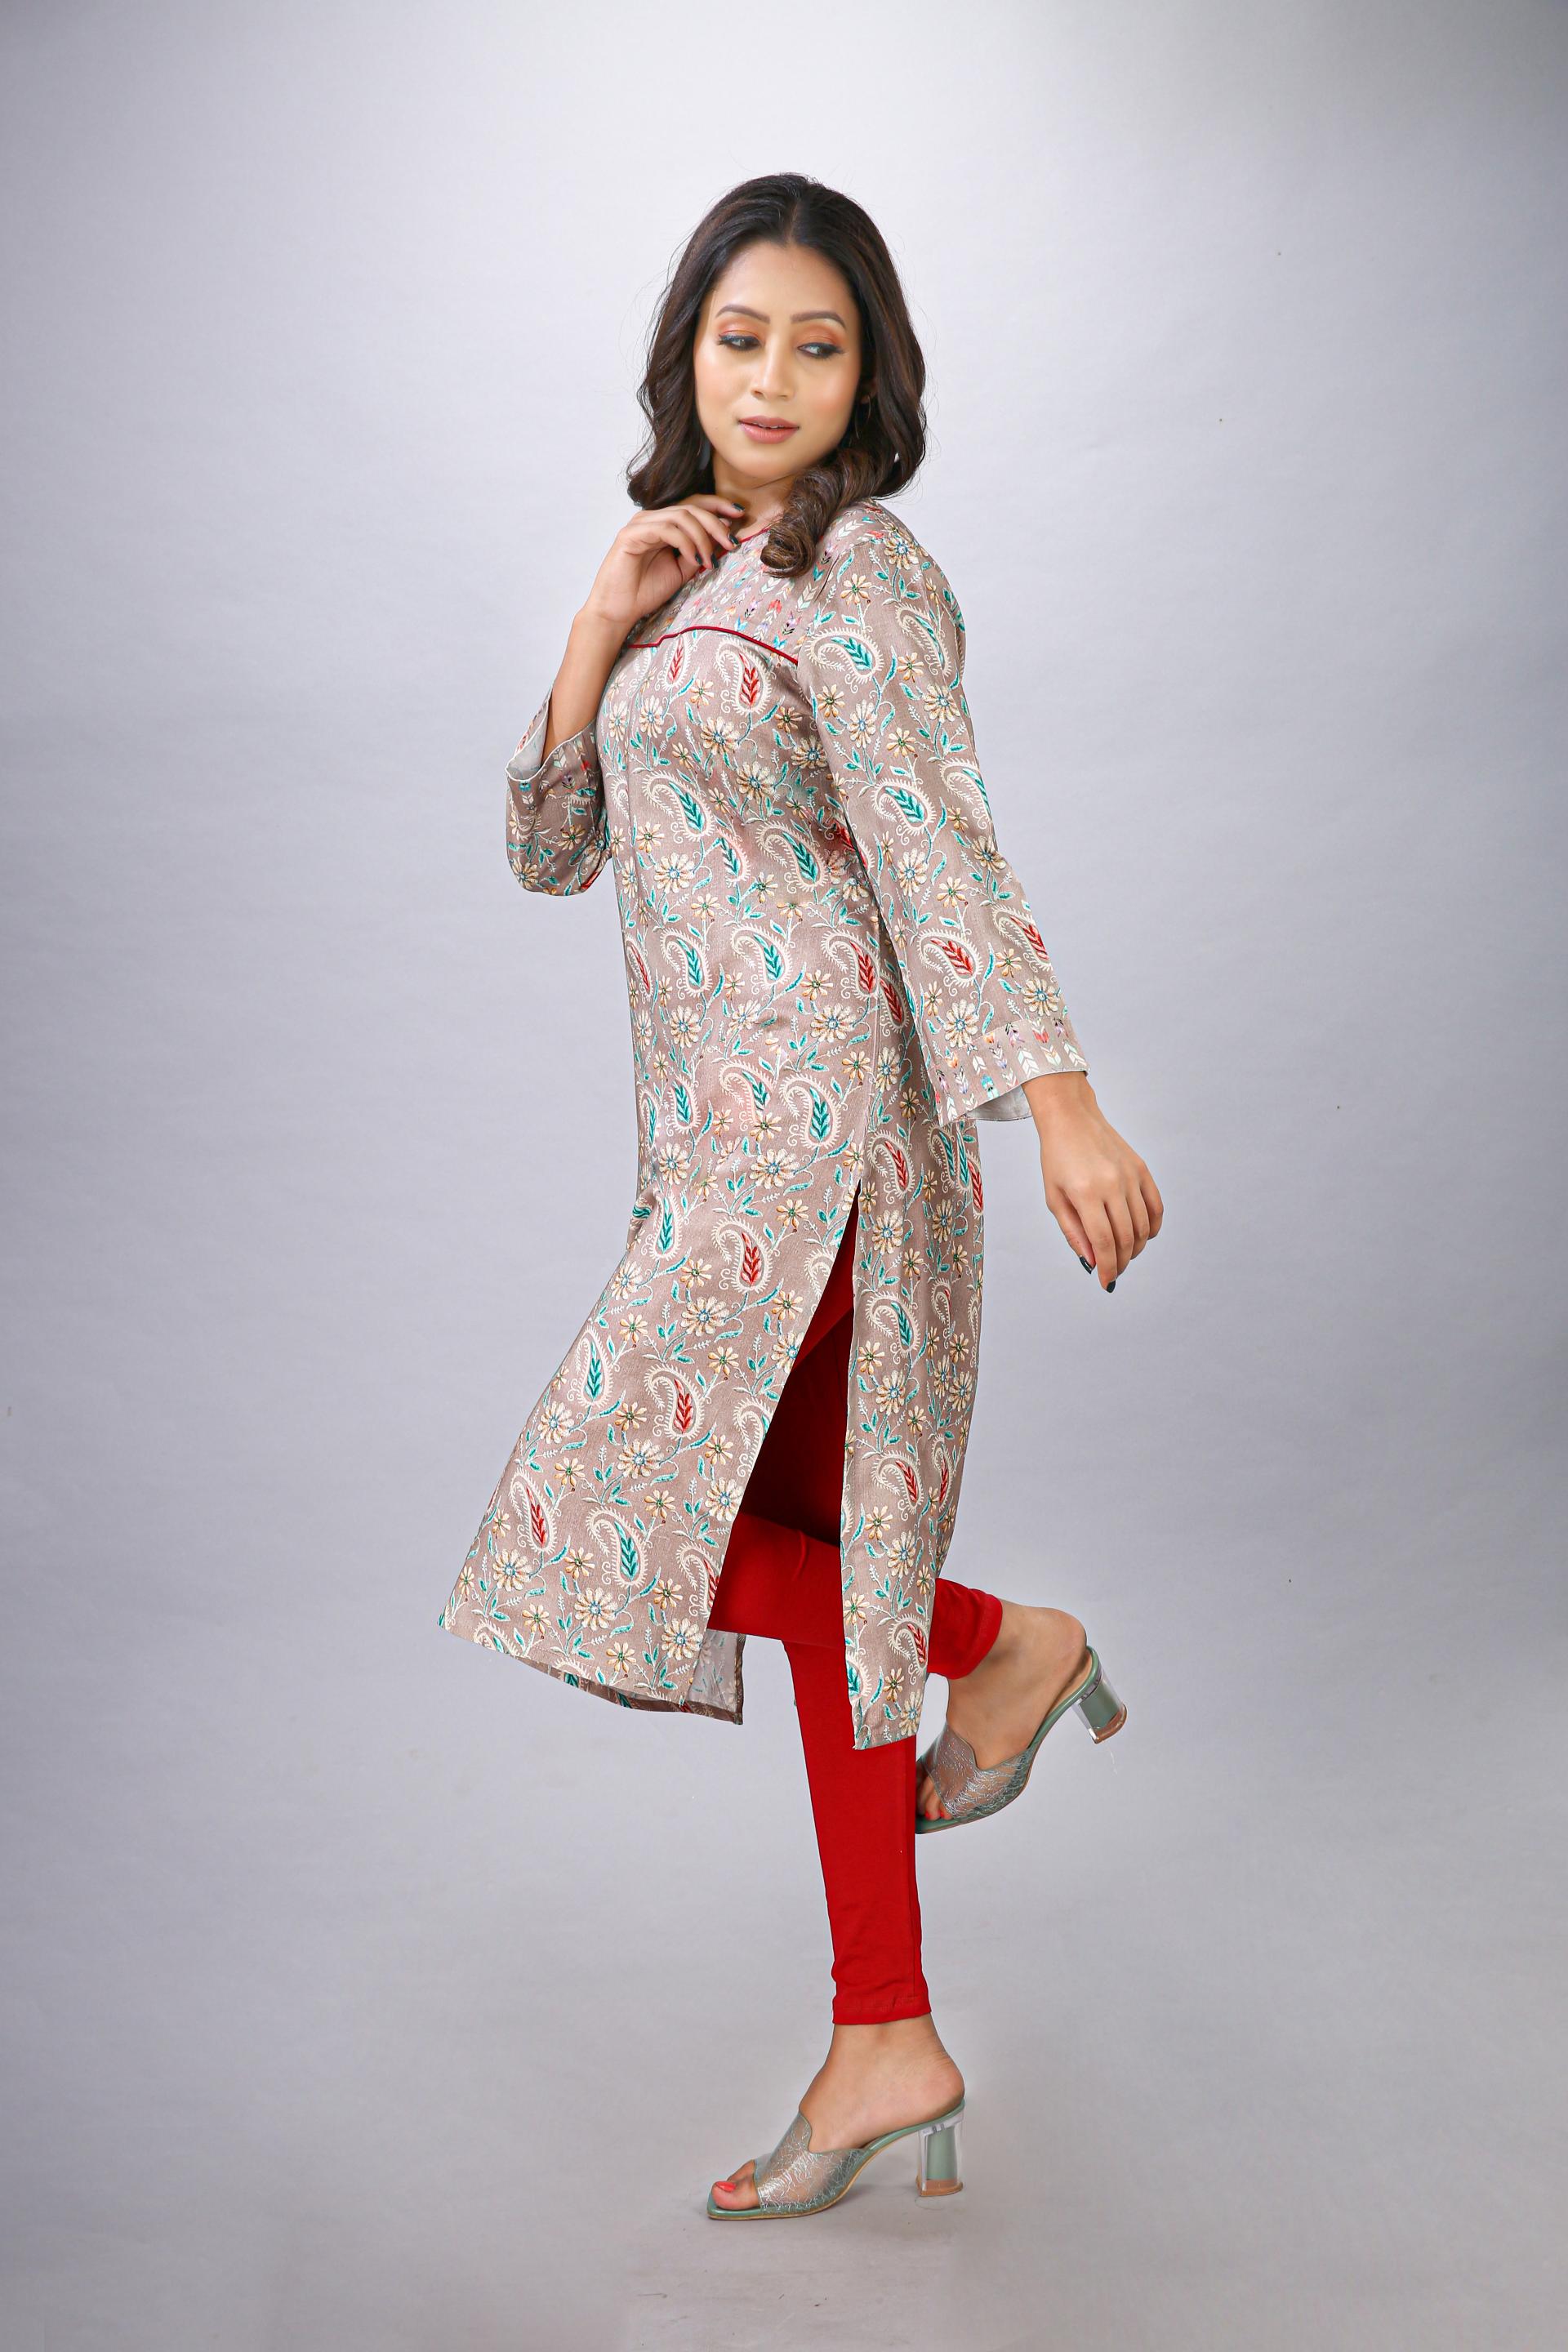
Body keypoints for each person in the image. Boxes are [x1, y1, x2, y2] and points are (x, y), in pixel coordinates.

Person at [439, 172, 1163, 2220]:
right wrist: (599, 622)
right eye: (738, 336)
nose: (769, 377)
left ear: (870, 377)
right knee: (821, 1570)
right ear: (688, 353)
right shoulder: (691, 575)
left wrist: (1062, 1105)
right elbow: (551, 851)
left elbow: (939, 846)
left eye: (816, 345)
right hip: (717, 1150)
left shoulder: (863, 568)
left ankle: (1001, 1647)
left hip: (829, 1140)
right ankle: (884, 2034)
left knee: (606, 1518)